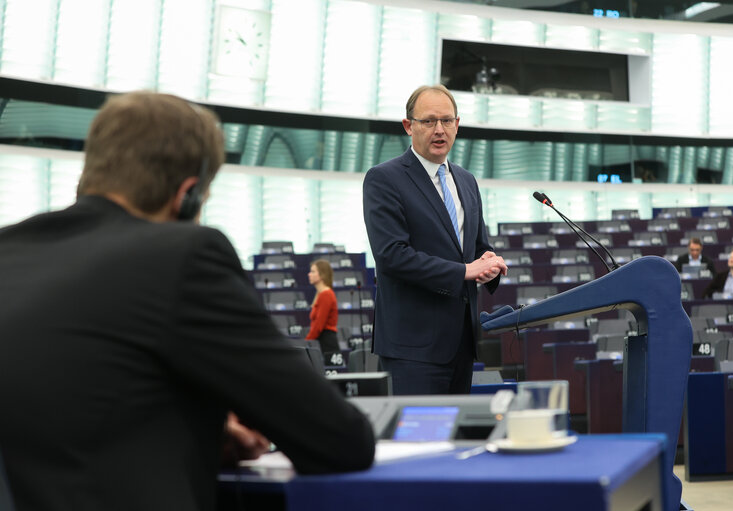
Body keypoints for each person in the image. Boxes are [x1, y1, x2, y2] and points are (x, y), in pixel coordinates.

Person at [0, 92, 374, 511]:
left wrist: (195, 432)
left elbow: (65, 409)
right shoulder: (183, 255)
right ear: (188, 195)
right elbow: (339, 440)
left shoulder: (8, 249)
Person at [362, 84, 507, 396]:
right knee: (421, 442)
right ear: (408, 126)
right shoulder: (384, 179)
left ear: (457, 125)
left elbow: (477, 246)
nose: (439, 129)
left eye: (446, 120)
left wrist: (488, 261)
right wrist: (463, 271)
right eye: (428, 121)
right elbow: (392, 255)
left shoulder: (466, 181)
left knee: (457, 442)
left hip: (462, 344)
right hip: (412, 348)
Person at [306, 259, 340, 353]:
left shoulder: (326, 294)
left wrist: (306, 342)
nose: (309, 274)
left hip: (327, 344)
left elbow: (319, 325)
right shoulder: (321, 294)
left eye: (313, 271)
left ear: (322, 274)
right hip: (322, 342)